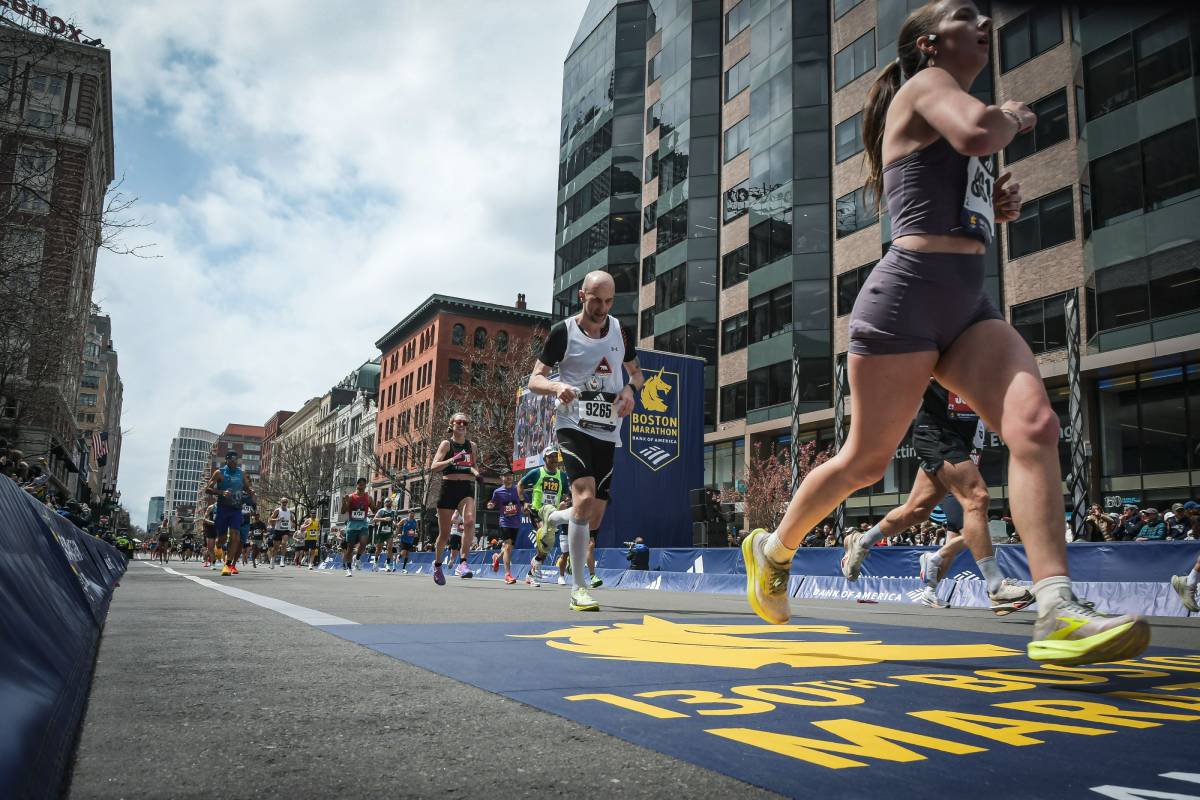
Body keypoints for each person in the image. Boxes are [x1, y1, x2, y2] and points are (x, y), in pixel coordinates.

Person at [740, 0, 1148, 666]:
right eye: (967, 14)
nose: (984, 22)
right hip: (902, 303)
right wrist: (1010, 119)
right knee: (867, 462)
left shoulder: (948, 103)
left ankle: (1057, 609)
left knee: (1035, 425)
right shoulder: (928, 87)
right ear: (930, 43)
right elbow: (980, 132)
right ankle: (773, 548)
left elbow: (963, 172)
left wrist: (994, 203)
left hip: (966, 309)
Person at [841, 380, 1032, 614]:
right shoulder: (944, 351)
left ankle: (862, 541)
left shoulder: (987, 360)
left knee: (916, 511)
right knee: (977, 497)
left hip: (960, 442)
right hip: (936, 434)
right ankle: (996, 587)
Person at [528, 270, 644, 612]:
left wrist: (628, 391)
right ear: (582, 296)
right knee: (585, 496)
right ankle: (579, 588)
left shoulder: (621, 330)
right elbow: (536, 377)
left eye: (609, 301)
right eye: (596, 300)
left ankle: (555, 519)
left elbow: (636, 372)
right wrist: (556, 387)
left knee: (592, 515)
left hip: (608, 430)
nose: (602, 308)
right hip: (572, 424)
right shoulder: (563, 332)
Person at [429, 412, 479, 584]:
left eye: (465, 422)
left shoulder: (472, 446)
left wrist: (477, 474)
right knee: (444, 534)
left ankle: (463, 563)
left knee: (470, 521)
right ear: (452, 424)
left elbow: (472, 466)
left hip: (465, 489)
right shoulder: (446, 444)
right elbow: (434, 467)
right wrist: (452, 460)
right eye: (459, 422)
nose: (462, 425)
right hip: (448, 489)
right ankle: (437, 565)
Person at [518, 446, 570, 587]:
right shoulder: (537, 472)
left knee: (546, 546)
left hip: (553, 513)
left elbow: (567, 494)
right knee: (545, 538)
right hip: (538, 511)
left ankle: (530, 573)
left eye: (555, 456)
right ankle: (535, 575)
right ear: (544, 458)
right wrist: (524, 503)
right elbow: (520, 484)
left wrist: (566, 501)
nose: (553, 459)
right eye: (550, 456)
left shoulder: (562, 476)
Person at [205, 451, 253, 577]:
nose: (234, 462)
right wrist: (221, 493)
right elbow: (208, 489)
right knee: (222, 539)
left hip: (236, 509)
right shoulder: (219, 472)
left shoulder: (240, 473)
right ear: (226, 460)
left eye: (236, 459)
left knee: (235, 535)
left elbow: (246, 487)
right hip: (222, 509)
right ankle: (218, 546)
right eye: (232, 459)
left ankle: (228, 564)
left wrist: (251, 491)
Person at [488, 471, 522, 585]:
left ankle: (496, 558)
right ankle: (507, 574)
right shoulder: (497, 492)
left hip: (516, 522)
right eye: (506, 475)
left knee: (509, 548)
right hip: (505, 522)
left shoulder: (518, 489)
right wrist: (491, 505)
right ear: (501, 477)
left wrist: (527, 506)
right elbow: (492, 502)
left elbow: (524, 501)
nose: (509, 477)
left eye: (510, 475)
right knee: (507, 547)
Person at [341, 477, 375, 577]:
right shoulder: (351, 497)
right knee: (350, 548)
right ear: (356, 485)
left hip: (363, 525)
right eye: (359, 483)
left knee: (364, 544)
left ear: (365, 485)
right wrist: (345, 502)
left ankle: (357, 558)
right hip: (352, 525)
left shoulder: (369, 498)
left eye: (363, 484)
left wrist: (377, 506)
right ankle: (349, 568)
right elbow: (343, 511)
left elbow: (374, 510)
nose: (361, 485)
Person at [268, 498, 296, 569]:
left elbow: (292, 520)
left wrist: (293, 522)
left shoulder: (289, 511)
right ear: (281, 502)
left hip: (286, 530)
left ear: (287, 503)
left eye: (286, 502)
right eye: (283, 502)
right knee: (276, 548)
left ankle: (282, 560)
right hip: (278, 530)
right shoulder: (277, 510)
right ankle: (272, 560)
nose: (284, 503)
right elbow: (270, 520)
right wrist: (277, 519)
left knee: (284, 543)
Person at [373, 497, 398, 572]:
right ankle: (376, 562)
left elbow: (393, 520)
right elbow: (374, 519)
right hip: (381, 532)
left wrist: (395, 524)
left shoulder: (393, 511)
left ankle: (387, 564)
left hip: (389, 532)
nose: (389, 503)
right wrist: (383, 519)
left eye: (390, 502)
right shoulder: (381, 511)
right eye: (388, 501)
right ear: (385, 503)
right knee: (379, 549)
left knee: (390, 548)